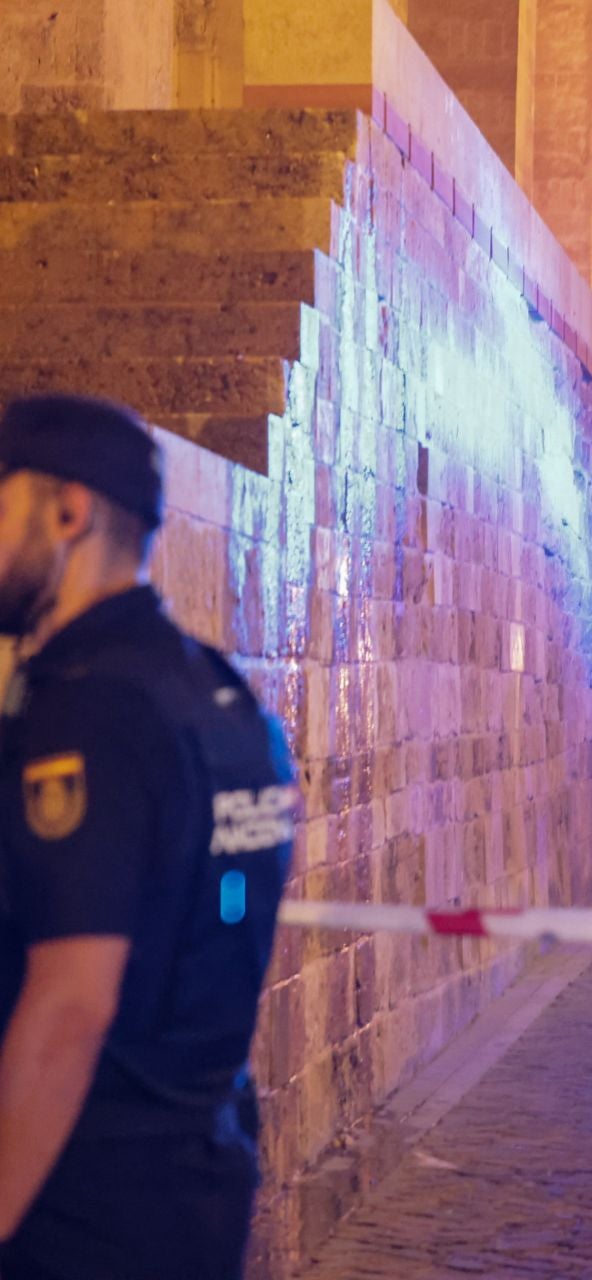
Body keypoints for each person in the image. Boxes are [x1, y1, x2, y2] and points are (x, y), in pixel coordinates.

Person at [0, 396, 294, 1279]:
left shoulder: (88, 711)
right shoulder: (223, 700)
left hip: (81, 1203)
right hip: (196, 1180)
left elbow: (70, 1008)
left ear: (67, 513)